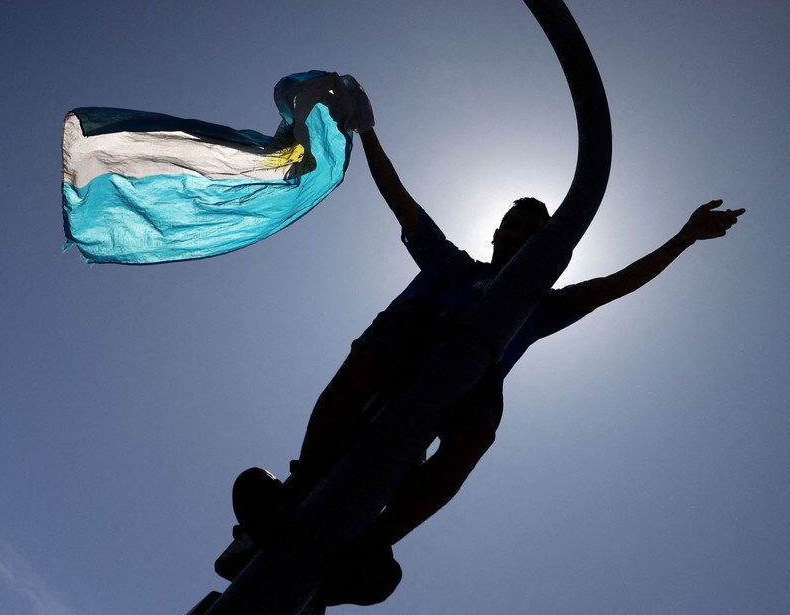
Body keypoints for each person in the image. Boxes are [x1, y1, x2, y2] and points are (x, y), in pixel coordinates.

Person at [232, 123, 745, 606]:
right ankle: (301, 488)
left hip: (474, 372)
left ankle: (373, 540)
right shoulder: (450, 263)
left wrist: (684, 238)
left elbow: (612, 286)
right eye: (510, 224)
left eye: (529, 231)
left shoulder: (536, 304)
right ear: (497, 232)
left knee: (475, 434)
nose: (515, 233)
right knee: (372, 357)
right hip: (412, 337)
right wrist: (367, 132)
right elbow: (399, 199)